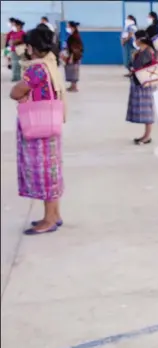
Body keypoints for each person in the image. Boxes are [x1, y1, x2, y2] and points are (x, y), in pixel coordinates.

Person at [10, 26, 66, 235]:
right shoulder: (51, 64)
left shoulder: (36, 69)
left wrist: (22, 93)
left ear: (31, 46)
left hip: (38, 126)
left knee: (44, 173)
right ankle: (55, 214)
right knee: (51, 169)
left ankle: (49, 219)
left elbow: (16, 92)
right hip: (50, 123)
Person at [125, 30, 158, 145]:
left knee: (147, 110)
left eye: (135, 38)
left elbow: (137, 66)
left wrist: (134, 58)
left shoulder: (147, 52)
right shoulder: (142, 51)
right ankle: (145, 135)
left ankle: (147, 136)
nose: (134, 41)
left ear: (140, 40)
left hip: (145, 84)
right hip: (140, 83)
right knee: (144, 111)